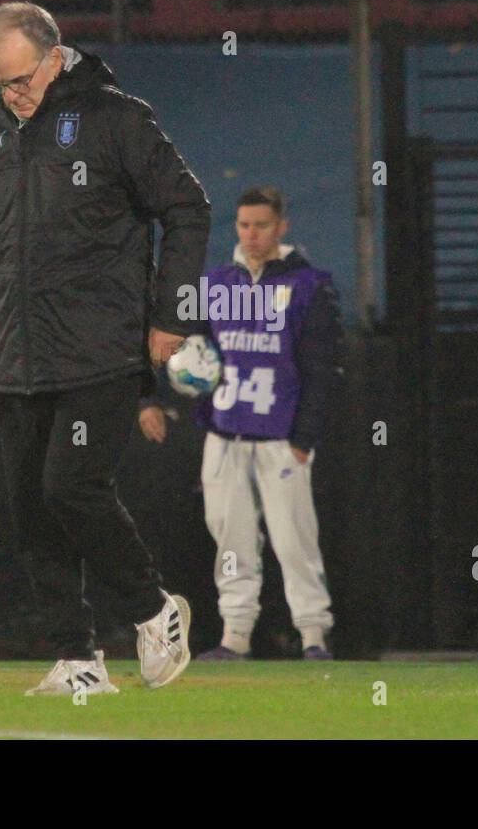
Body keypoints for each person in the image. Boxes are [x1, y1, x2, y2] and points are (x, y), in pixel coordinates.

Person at [0, 2, 211, 695]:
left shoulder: (117, 119)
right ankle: (77, 658)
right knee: (31, 509)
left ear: (56, 57)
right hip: (16, 352)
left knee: (70, 487)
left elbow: (188, 207)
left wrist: (173, 311)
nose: (11, 94)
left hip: (100, 347)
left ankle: (154, 610)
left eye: (21, 79)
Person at [139, 186, 344, 660]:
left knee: (294, 537)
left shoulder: (310, 286)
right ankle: (235, 637)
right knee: (229, 538)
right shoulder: (215, 286)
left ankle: (313, 635)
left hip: (280, 438)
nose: (252, 235)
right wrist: (157, 392)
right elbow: (183, 347)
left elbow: (322, 369)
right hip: (225, 435)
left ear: (282, 227)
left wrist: (303, 439)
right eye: (245, 225)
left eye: (262, 225)